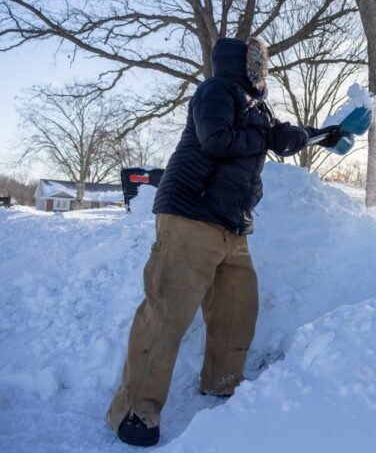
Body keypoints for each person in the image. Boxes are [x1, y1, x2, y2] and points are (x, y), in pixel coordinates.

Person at [106, 36, 344, 447]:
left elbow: (281, 137)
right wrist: (267, 138)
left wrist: (324, 134)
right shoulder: (214, 91)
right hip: (189, 215)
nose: (261, 70)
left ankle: (223, 382)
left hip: (232, 225)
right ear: (239, 64)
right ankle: (133, 413)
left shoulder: (256, 107)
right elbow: (216, 139)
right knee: (168, 313)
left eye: (262, 64)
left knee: (238, 306)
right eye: (255, 63)